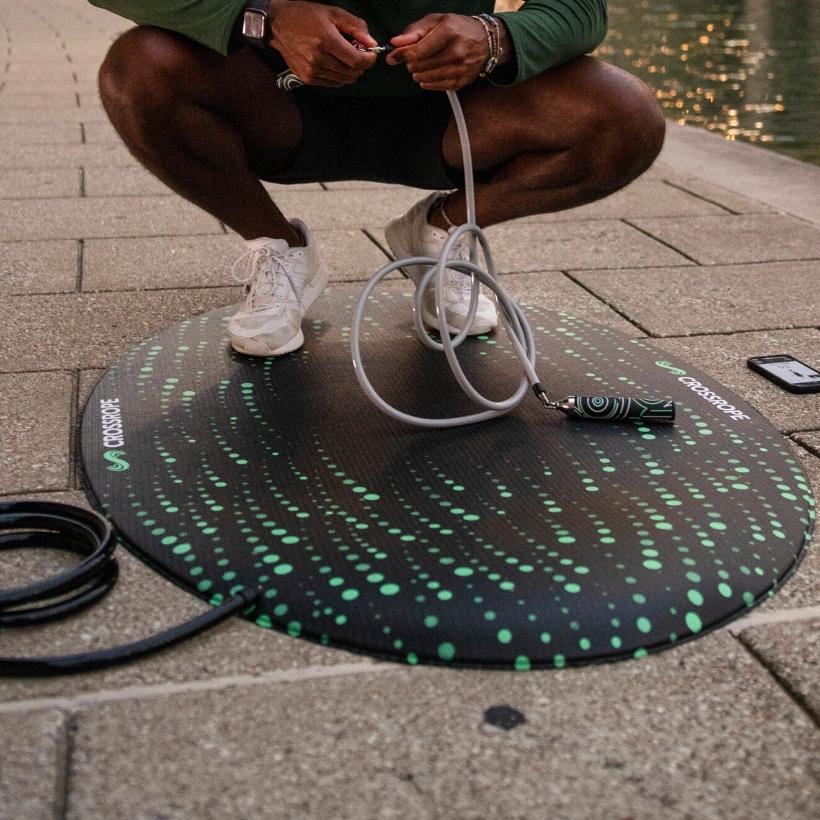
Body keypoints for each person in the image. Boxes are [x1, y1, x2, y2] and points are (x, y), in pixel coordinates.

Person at [91, 0, 665, 356]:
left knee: (624, 116)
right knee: (139, 68)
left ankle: (441, 230)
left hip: (451, 108)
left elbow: (582, 8)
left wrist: (494, 36)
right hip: (275, 99)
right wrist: (263, 15)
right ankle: (280, 248)